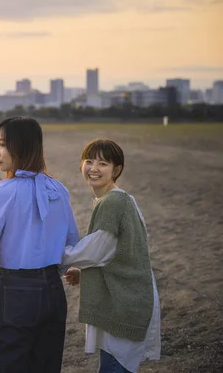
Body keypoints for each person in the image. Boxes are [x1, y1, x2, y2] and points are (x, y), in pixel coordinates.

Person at [0, 116, 79, 373]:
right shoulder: (58, 189)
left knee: (3, 363)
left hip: (16, 290)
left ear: (21, 146)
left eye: (2, 144)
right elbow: (71, 245)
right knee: (46, 365)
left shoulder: (3, 191)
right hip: (54, 292)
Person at [62, 139, 161, 373]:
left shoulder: (114, 201)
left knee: (115, 366)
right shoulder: (118, 198)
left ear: (116, 170)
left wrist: (50, 254)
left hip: (125, 301)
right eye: (89, 161)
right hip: (126, 296)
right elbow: (115, 251)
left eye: (103, 163)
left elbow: (95, 250)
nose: (94, 168)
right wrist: (84, 271)